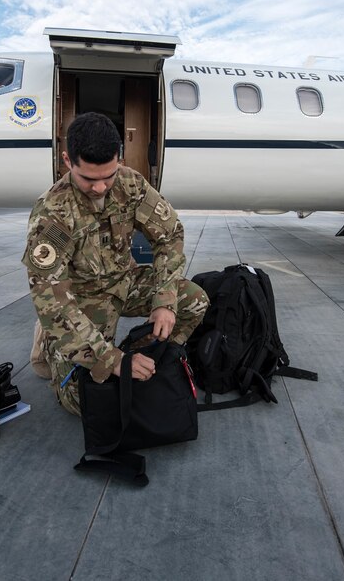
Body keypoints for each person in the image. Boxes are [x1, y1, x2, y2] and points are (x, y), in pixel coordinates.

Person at [22, 112, 209, 415]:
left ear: (119, 159)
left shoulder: (130, 184)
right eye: (89, 179)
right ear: (68, 161)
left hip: (126, 282)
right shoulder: (52, 214)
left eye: (108, 176)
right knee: (82, 402)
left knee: (194, 300)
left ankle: (144, 358)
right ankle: (51, 344)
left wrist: (164, 299)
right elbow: (51, 300)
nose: (100, 188)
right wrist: (112, 361)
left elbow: (170, 234)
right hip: (81, 300)